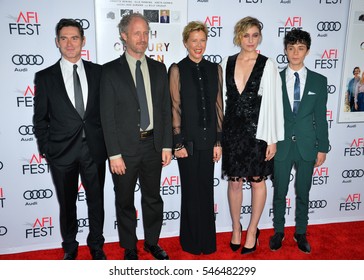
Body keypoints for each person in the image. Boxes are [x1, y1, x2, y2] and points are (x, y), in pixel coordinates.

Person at [100, 13, 172, 260]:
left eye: (146, 33)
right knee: (125, 201)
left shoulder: (159, 68)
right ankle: (129, 247)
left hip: (153, 146)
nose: (143, 39)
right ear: (124, 36)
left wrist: (166, 145)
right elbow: (106, 117)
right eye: (137, 33)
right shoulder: (109, 72)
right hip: (124, 151)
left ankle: (152, 243)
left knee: (153, 199)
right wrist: (114, 154)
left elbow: (165, 110)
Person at [33, 18, 107, 260]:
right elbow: (40, 118)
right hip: (61, 153)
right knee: (68, 204)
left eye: (74, 38)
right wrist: (47, 149)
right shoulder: (45, 77)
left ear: (83, 41)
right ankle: (70, 245)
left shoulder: (99, 72)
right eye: (63, 38)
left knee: (96, 202)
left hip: (94, 150)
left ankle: (96, 244)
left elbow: (107, 113)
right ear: (57, 42)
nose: (69, 43)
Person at [221, 16, 284, 254]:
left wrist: (273, 139)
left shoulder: (267, 65)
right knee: (235, 182)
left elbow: (275, 104)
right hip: (232, 133)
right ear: (239, 36)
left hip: (258, 133)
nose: (250, 40)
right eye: (246, 35)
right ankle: (236, 228)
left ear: (260, 37)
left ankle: (252, 230)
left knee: (258, 181)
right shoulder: (226, 62)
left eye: (255, 35)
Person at [270, 29, 329, 254]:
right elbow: (269, 114)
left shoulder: (319, 81)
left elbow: (321, 118)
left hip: (307, 145)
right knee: (279, 192)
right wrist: (269, 141)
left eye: (300, 48)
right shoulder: (274, 78)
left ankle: (300, 232)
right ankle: (278, 231)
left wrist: (322, 147)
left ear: (307, 51)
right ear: (285, 50)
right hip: (281, 145)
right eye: (291, 48)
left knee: (303, 191)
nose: (295, 53)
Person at [168, 21, 223, 255]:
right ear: (185, 43)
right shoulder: (177, 69)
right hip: (187, 144)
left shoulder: (215, 69)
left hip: (209, 141)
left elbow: (219, 106)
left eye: (202, 40)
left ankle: (207, 242)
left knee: (205, 192)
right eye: (194, 41)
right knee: (191, 192)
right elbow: (174, 107)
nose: (198, 45)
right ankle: (191, 242)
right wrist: (177, 143)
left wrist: (219, 141)